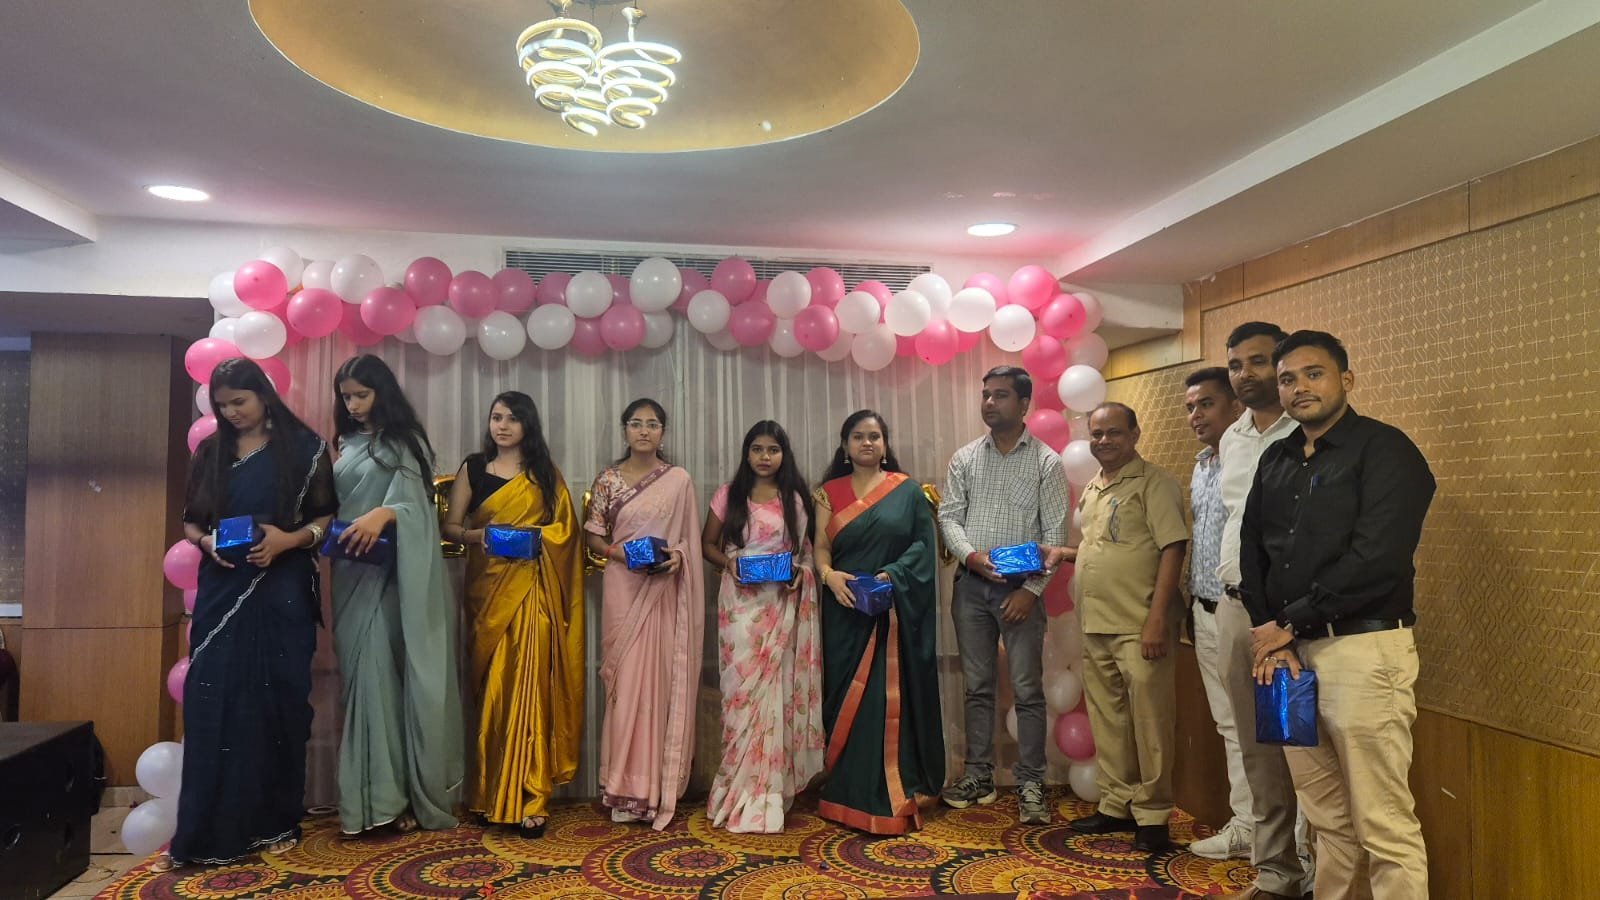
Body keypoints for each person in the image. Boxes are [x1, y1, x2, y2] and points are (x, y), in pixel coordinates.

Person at [1240, 330, 1435, 900]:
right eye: (1287, 379)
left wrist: (1290, 623)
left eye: (1313, 374)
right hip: (1285, 658)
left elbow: (1378, 558)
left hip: (1363, 652)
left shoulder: (1386, 450)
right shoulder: (1275, 458)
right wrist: (1272, 633)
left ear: (1346, 379)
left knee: (1382, 820)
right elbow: (1253, 550)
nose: (1299, 387)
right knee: (1324, 815)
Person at [156, 358, 335, 872]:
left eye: (240, 401)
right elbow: (192, 522)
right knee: (213, 700)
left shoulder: (304, 449)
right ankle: (208, 831)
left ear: (263, 396)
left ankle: (276, 820)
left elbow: (325, 516)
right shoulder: (211, 451)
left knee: (278, 702)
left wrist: (288, 541)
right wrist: (206, 543)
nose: (232, 412)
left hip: (282, 589)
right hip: (223, 586)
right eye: (223, 405)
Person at [330, 354, 464, 835]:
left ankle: (395, 798)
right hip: (350, 573)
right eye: (346, 396)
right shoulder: (343, 444)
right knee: (359, 679)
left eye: (361, 395)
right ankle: (367, 801)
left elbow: (416, 509)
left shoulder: (405, 443)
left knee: (387, 679)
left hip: (392, 577)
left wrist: (386, 513)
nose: (353, 404)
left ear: (382, 392)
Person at [442, 391, 583, 838]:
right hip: (488, 596)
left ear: (528, 425)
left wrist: (536, 537)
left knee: (530, 688)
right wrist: (479, 535)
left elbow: (566, 533)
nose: (501, 426)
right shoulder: (474, 468)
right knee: (494, 692)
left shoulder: (544, 473)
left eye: (512, 419)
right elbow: (451, 528)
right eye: (496, 417)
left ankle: (532, 797)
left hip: (534, 593)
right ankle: (487, 794)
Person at [937, 366, 1070, 825]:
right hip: (972, 588)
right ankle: (979, 775)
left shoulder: (1047, 463)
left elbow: (1055, 536)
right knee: (977, 687)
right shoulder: (965, 457)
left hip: (1020, 591)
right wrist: (971, 557)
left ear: (1024, 403)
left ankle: (1031, 782)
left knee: (1027, 689)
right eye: (986, 395)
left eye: (1001, 395)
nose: (990, 403)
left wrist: (1031, 593)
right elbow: (949, 517)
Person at [1213, 322, 1312, 900]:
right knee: (1257, 745)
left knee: (1304, 742)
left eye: (1257, 362)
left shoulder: (1309, 433)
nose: (1244, 374)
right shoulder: (1233, 437)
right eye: (1235, 364)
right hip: (1235, 609)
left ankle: (1319, 866)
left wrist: (1288, 617)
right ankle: (1276, 871)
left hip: (1293, 615)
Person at [812, 410, 944, 834]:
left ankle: (891, 783)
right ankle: (844, 784)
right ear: (845, 445)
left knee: (885, 698)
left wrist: (892, 576)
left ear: (885, 444)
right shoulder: (827, 493)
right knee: (843, 692)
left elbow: (923, 548)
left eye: (874, 436)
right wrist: (829, 576)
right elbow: (820, 548)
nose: (866, 443)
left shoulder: (907, 491)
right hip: (843, 606)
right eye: (857, 436)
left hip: (890, 610)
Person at [1067, 402, 1189, 853]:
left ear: (1135, 435)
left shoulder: (1155, 483)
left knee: (1150, 721)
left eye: (1114, 433)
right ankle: (1116, 803)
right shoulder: (1094, 486)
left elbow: (1173, 548)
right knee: (1109, 720)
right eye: (1096, 434)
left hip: (1140, 624)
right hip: (1096, 621)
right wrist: (1064, 555)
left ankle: (1153, 814)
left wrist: (1157, 620)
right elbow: (1104, 547)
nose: (1104, 441)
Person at [584, 398, 704, 830]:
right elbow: (594, 539)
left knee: (657, 684)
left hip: (663, 590)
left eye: (652, 424)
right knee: (625, 683)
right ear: (624, 430)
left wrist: (677, 559)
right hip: (623, 586)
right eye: (636, 423)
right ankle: (621, 786)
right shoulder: (608, 480)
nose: (644, 431)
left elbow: (689, 541)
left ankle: (652, 788)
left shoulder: (679, 480)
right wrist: (623, 555)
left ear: (663, 433)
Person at [700, 420, 824, 833]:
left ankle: (770, 795)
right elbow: (707, 545)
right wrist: (731, 563)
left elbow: (805, 554)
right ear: (747, 453)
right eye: (757, 449)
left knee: (777, 696)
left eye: (773, 449)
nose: (765, 457)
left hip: (779, 607)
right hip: (739, 610)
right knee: (741, 697)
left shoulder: (795, 501)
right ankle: (736, 789)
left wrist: (799, 574)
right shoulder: (728, 495)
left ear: (783, 454)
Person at [1181, 367, 1254, 860]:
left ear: (1235, 406)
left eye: (1206, 404)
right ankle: (1246, 826)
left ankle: (1288, 840)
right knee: (1229, 726)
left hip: (1245, 611)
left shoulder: (1254, 458)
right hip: (1204, 611)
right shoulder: (1202, 464)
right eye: (1190, 407)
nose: (1195, 415)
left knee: (1262, 730)